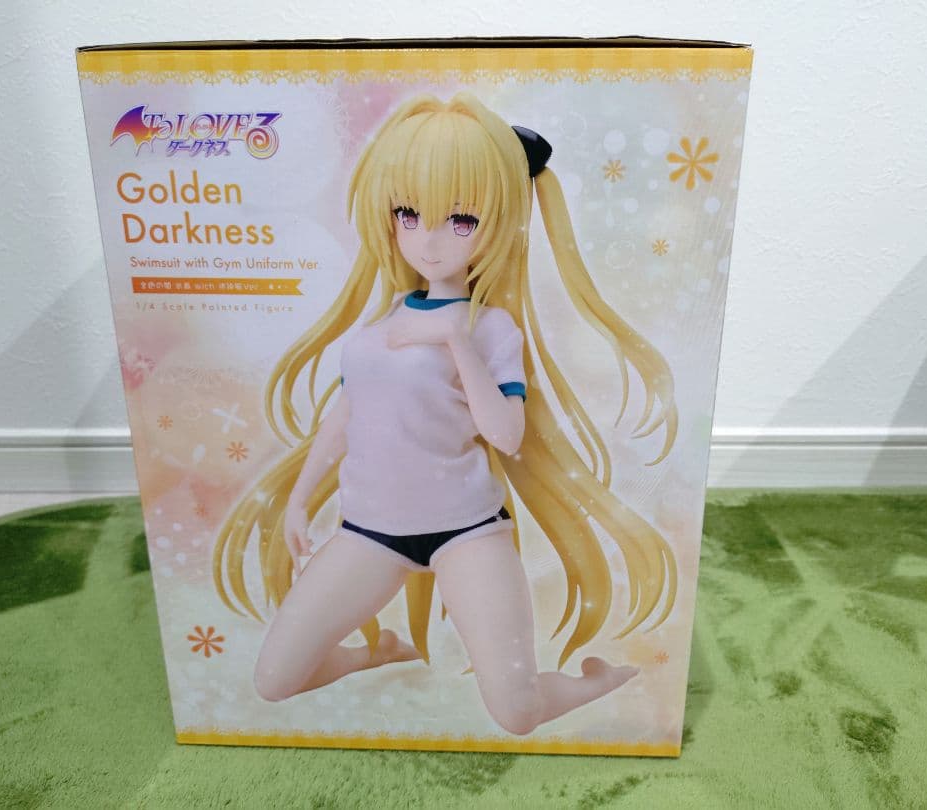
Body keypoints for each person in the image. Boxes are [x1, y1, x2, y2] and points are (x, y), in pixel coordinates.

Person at [213, 92, 678, 735]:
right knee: (274, 680)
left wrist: (456, 339)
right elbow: (345, 415)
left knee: (517, 713)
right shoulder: (378, 326)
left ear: (496, 223)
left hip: (467, 531)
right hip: (368, 532)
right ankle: (375, 653)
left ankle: (596, 680)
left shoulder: (491, 329)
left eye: (460, 220)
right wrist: (297, 501)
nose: (428, 240)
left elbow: (506, 435)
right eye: (408, 214)